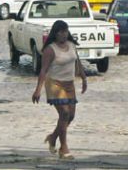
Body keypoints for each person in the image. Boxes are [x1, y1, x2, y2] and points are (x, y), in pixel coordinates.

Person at [32, 20, 88, 160]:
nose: (64, 34)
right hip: (54, 84)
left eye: (66, 31)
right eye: (61, 32)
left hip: (69, 84)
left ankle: (53, 137)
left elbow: (78, 62)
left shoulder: (71, 45)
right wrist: (38, 90)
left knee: (70, 116)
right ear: (55, 33)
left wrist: (84, 78)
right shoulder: (50, 49)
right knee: (64, 113)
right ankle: (64, 148)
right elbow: (43, 70)